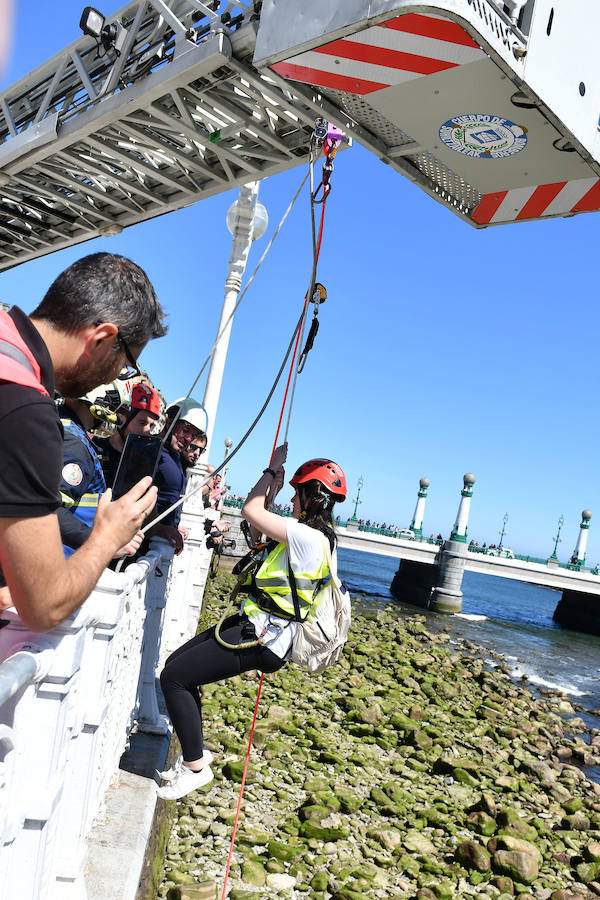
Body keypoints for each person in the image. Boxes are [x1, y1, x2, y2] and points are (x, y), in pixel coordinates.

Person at [157, 443, 347, 800]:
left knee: (174, 679)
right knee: (177, 668)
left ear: (313, 497)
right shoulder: (315, 538)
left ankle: (196, 768)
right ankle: (194, 756)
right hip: (256, 625)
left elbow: (251, 509)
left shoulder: (309, 538)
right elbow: (257, 522)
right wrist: (273, 484)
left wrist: (272, 470)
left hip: (263, 636)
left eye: (298, 494)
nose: (292, 502)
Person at [0, 252, 167, 633]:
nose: (118, 375)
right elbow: (44, 608)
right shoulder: (27, 410)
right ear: (103, 338)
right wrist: (108, 536)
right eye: (125, 364)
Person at [58, 378, 142, 558]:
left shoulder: (58, 422)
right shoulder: (75, 445)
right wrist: (104, 543)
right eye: (119, 408)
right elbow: (48, 510)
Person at [147, 398, 208, 553]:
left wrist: (174, 526)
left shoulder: (175, 455)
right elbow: (140, 496)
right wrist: (159, 529)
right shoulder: (153, 450)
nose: (188, 439)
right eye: (186, 430)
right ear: (170, 423)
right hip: (145, 543)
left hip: (160, 543)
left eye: (193, 435)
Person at [97, 381, 162, 487]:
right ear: (121, 419)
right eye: (142, 423)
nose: (147, 432)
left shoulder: (143, 465)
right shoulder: (94, 449)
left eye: (151, 426)